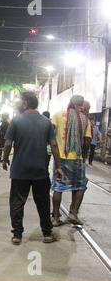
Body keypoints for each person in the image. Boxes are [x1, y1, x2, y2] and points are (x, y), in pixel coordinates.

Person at [2, 92, 62, 245]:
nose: (17, 104)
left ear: (25, 103)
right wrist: (58, 166)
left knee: (17, 202)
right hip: (40, 170)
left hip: (20, 170)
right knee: (43, 202)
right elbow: (54, 144)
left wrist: (4, 159)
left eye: (19, 101)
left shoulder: (16, 121)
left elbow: (8, 144)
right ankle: (47, 234)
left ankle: (17, 235)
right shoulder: (46, 122)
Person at [51, 95, 92, 226]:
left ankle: (56, 217)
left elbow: (50, 135)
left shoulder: (57, 115)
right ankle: (73, 213)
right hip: (77, 159)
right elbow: (87, 142)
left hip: (60, 158)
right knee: (80, 186)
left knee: (58, 186)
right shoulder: (85, 119)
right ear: (82, 105)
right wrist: (83, 157)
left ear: (70, 102)